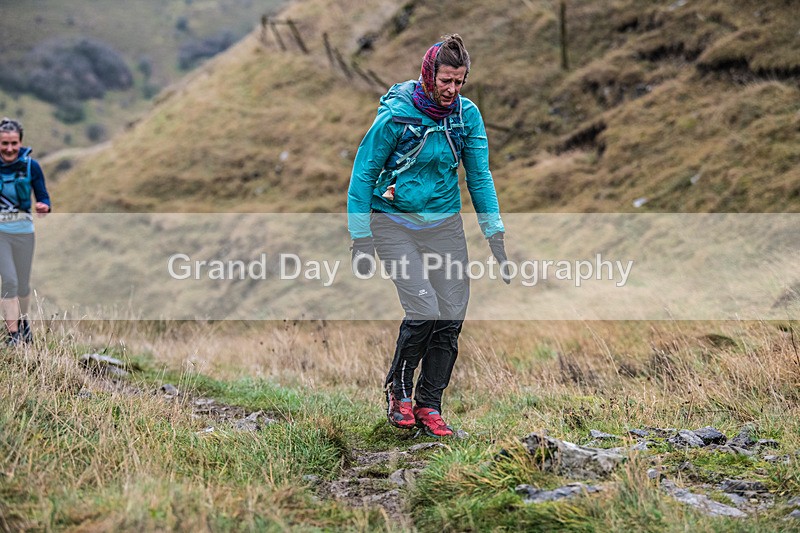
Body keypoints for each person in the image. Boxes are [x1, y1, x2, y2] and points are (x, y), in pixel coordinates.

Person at [347, 35, 510, 437]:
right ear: (428, 76)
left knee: (450, 316)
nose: (452, 91)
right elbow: (363, 174)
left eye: (460, 83)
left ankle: (428, 406)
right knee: (423, 308)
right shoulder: (396, 117)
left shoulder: (466, 117)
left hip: (444, 225)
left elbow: (479, 175)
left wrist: (494, 233)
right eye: (446, 81)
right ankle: (398, 391)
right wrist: (360, 237)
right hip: (393, 222)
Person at [0, 118, 51, 346]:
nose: (9, 148)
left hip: (24, 233)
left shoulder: (32, 167)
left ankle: (22, 321)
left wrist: (43, 206)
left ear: (20, 142)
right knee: (9, 281)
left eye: (13, 143)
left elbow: (43, 196)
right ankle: (13, 336)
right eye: (4, 143)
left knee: (22, 285)